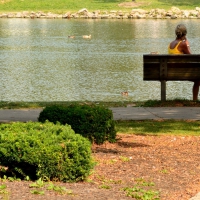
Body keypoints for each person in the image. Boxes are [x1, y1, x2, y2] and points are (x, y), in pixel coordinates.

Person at [168, 24, 200, 101]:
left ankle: (195, 101)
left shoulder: (170, 44)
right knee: (198, 79)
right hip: (181, 73)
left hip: (170, 73)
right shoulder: (182, 44)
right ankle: (194, 100)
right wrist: (187, 44)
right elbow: (191, 58)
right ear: (185, 34)